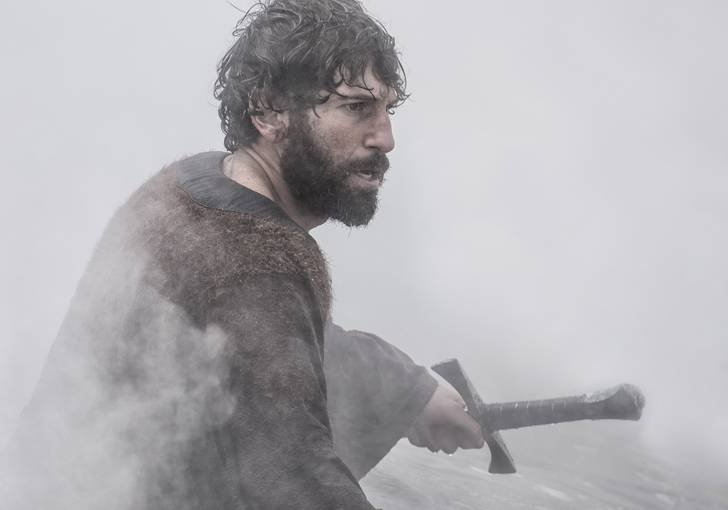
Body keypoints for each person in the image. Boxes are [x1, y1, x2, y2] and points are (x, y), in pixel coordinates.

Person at [1, 0, 483, 508]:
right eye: (356, 107)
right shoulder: (257, 263)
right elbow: (297, 483)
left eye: (387, 110)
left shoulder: (195, 184)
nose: (385, 138)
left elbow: (264, 341)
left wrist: (408, 390)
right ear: (268, 111)